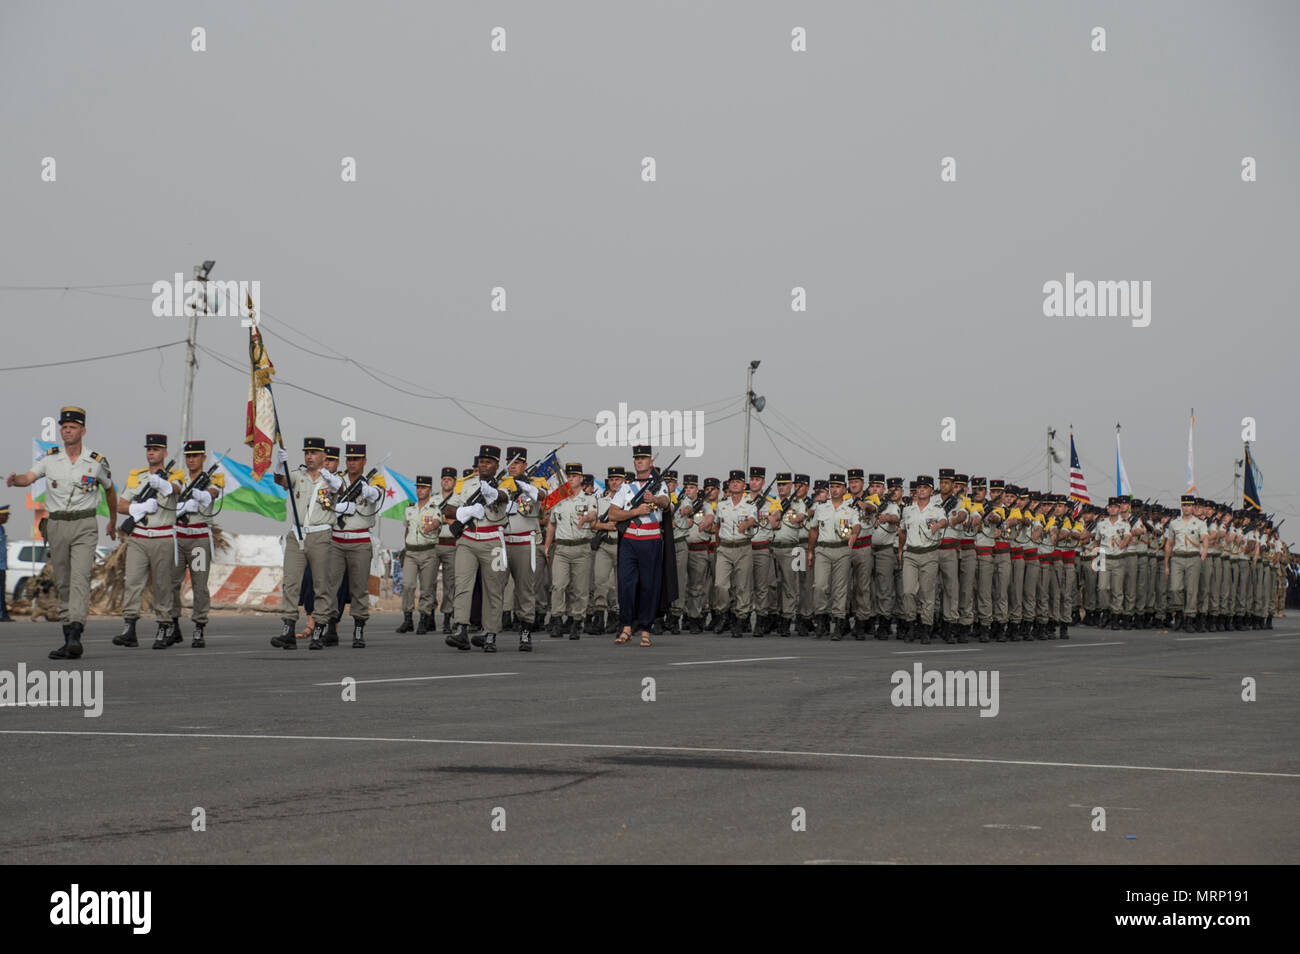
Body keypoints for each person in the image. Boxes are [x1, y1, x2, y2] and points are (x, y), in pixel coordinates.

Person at [7, 406, 117, 658]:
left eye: (72, 427)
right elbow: (29, 477)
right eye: (64, 427)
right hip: (57, 525)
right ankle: (68, 636)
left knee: (79, 578)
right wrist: (16, 480)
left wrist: (112, 520)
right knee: (64, 582)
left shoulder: (96, 462)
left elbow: (110, 490)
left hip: (85, 525)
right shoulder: (50, 458)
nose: (67, 430)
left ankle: (77, 631)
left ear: (83, 430)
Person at [115, 434, 184, 650]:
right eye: (149, 449)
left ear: (164, 452)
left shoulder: (176, 474)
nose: (151, 452)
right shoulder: (137, 476)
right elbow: (121, 505)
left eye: (156, 449)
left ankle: (164, 626)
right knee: (133, 582)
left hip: (163, 536)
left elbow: (177, 489)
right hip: (139, 536)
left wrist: (163, 485)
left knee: (163, 585)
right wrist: (138, 509)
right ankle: (129, 627)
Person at [446, 444, 515, 652]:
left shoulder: (506, 482)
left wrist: (491, 492)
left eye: (488, 462)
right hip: (467, 540)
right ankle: (461, 628)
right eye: (481, 462)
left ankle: (490, 633)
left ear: (496, 465)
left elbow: (504, 497)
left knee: (493, 588)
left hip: (492, 540)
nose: (483, 465)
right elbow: (448, 509)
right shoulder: (466, 484)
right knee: (462, 584)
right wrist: (465, 511)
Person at [270, 437, 334, 649]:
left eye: (314, 453)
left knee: (320, 585)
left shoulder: (331, 480)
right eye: (306, 452)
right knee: (290, 583)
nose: (309, 456)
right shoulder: (298, 475)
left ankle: (318, 630)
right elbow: (280, 480)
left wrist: (330, 477)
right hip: (296, 536)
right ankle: (288, 629)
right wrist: (279, 464)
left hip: (320, 536)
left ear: (324, 456)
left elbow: (340, 489)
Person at [321, 443, 384, 649]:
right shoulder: (337, 479)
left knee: (359, 587)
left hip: (359, 540)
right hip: (337, 539)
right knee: (331, 586)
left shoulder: (375, 479)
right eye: (349, 459)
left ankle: (359, 628)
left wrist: (366, 490)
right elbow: (323, 501)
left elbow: (376, 495)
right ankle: (330, 627)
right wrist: (338, 507)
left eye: (356, 459)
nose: (352, 463)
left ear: (364, 461)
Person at [608, 446, 671, 646]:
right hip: (629, 541)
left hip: (650, 540)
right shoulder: (626, 487)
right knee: (626, 585)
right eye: (636, 458)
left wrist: (654, 499)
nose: (639, 461)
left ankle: (645, 628)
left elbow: (666, 502)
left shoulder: (658, 485)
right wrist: (635, 512)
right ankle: (626, 626)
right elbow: (613, 514)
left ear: (651, 462)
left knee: (648, 586)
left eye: (643, 458)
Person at [170, 439, 223, 648]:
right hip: (178, 537)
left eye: (195, 456)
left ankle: (199, 626)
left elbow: (214, 492)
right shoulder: (179, 479)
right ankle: (173, 625)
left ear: (203, 458)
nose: (191, 460)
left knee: (200, 585)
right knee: (172, 584)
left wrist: (202, 495)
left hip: (199, 538)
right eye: (188, 456)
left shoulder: (212, 478)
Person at [544, 462, 597, 638]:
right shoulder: (559, 499)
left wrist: (586, 518)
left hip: (581, 548)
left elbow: (593, 514)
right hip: (562, 548)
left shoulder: (588, 498)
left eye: (574, 476)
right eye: (569, 476)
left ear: (581, 478)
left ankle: (576, 621)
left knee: (580, 589)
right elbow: (552, 524)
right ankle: (557, 619)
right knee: (558, 585)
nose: (571, 479)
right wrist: (546, 545)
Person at [806, 473, 857, 639]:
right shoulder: (821, 507)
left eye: (838, 487)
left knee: (840, 588)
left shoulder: (850, 509)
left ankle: (839, 622)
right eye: (832, 487)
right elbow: (814, 530)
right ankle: (821, 620)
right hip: (823, 549)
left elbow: (856, 526)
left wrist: (854, 535)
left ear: (844, 489)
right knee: (820, 586)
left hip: (842, 550)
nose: (834, 490)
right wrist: (810, 551)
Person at [899, 475, 947, 644]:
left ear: (931, 491)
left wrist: (938, 525)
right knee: (908, 592)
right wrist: (900, 549)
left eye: (925, 487)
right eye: (919, 487)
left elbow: (944, 520)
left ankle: (926, 628)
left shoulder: (937, 508)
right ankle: (911, 624)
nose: (921, 490)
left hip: (929, 554)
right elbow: (902, 531)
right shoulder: (908, 510)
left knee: (927, 593)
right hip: (911, 554)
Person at [712, 469, 759, 638]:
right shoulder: (722, 504)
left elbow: (753, 519)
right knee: (720, 585)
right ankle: (724, 613)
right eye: (732, 482)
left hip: (743, 547)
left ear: (744, 485)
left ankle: (740, 619)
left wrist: (746, 524)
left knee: (742, 586)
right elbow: (716, 525)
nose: (735, 484)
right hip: (724, 548)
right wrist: (719, 543)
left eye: (738, 482)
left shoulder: (750, 504)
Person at [397, 474, 441, 634]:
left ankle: (424, 618)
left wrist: (431, 527)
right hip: (411, 553)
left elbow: (437, 521)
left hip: (428, 551)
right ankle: (407, 619)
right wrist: (405, 547)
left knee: (427, 588)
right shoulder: (410, 509)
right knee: (407, 585)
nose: (420, 490)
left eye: (423, 487)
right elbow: (407, 529)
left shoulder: (434, 508)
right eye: (418, 487)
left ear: (429, 489)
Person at [0, 503, 10, 622]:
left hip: (2, 566)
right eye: (5, 515)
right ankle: (2, 614)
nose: (7, 518)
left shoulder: (2, 529)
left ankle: (3, 614)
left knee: (2, 591)